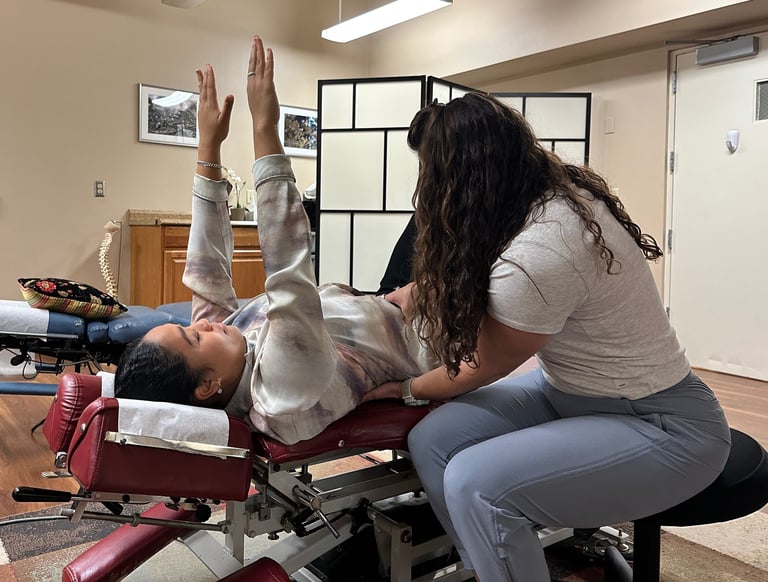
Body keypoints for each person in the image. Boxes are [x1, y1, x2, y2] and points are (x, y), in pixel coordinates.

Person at [360, 95, 732, 580]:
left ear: (468, 176)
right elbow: (483, 275)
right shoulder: (536, 199)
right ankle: (490, 565)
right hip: (569, 391)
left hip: (665, 424)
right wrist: (424, 288)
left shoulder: (547, 245)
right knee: (433, 439)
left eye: (432, 171)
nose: (427, 186)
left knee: (477, 483)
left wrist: (405, 389)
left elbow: (482, 365)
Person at [114, 36, 438, 445]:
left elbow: (206, 265)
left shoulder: (227, 346)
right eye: (194, 336)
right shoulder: (281, 393)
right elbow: (288, 269)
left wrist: (208, 145)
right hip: (431, 328)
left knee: (439, 205)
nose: (204, 324)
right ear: (207, 386)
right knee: (457, 207)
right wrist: (265, 128)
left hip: (385, 301)